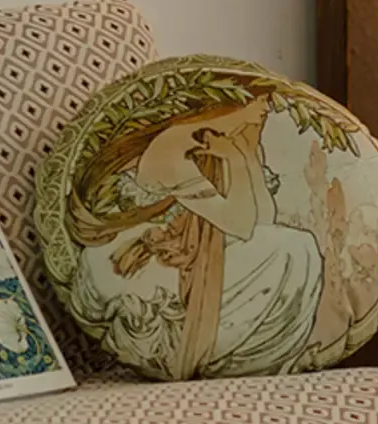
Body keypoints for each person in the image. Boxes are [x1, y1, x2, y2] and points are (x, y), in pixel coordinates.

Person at [68, 93, 324, 380]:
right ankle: (236, 361)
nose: (269, 107)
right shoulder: (175, 143)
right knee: (295, 249)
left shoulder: (232, 140)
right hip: (155, 261)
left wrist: (247, 157)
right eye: (262, 99)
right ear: (236, 98)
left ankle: (253, 363)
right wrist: (237, 160)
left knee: (298, 246)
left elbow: (262, 221)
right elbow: (240, 225)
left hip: (197, 252)